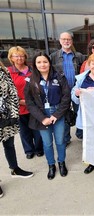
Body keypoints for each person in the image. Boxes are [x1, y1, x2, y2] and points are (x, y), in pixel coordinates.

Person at [24, 52, 71, 180]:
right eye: (39, 62)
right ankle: (51, 165)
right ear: (35, 64)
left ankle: (61, 162)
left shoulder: (59, 76)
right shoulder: (30, 80)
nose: (42, 64)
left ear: (49, 63)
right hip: (41, 116)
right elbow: (29, 102)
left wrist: (56, 114)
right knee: (47, 143)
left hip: (57, 113)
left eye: (45, 61)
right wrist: (42, 118)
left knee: (61, 141)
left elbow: (66, 97)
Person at [0, 61, 34, 198]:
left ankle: (15, 169)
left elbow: (11, 91)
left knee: (9, 144)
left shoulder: (4, 70)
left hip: (8, 115)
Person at [7, 46, 43, 159]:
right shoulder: (8, 72)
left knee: (37, 129)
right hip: (19, 106)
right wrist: (19, 101)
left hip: (34, 105)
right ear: (11, 58)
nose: (19, 58)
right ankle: (29, 150)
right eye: (16, 56)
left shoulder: (32, 70)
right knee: (24, 131)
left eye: (22, 55)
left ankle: (39, 148)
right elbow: (6, 90)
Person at [50, 31, 86, 146]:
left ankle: (80, 133)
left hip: (76, 90)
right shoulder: (53, 56)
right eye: (64, 39)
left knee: (80, 112)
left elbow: (83, 73)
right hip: (61, 92)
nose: (66, 41)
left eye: (68, 39)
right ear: (60, 41)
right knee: (63, 115)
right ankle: (66, 138)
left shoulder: (79, 56)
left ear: (72, 41)